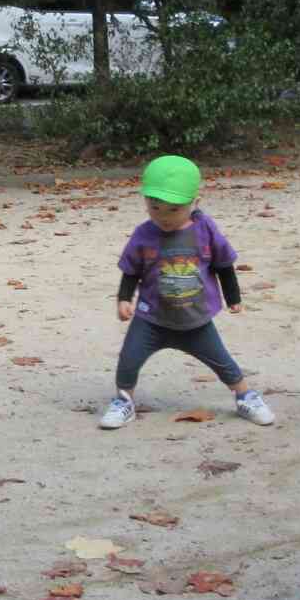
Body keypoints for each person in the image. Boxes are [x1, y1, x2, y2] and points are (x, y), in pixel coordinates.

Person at [98, 154, 276, 430]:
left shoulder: (205, 230)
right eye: (155, 208)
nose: (164, 217)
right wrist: (124, 298)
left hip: (196, 320)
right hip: (151, 318)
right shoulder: (144, 234)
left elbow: (224, 265)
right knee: (128, 359)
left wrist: (234, 299)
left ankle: (245, 396)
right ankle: (124, 401)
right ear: (146, 202)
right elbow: (131, 270)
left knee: (223, 362)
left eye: (173, 210)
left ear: (194, 203)